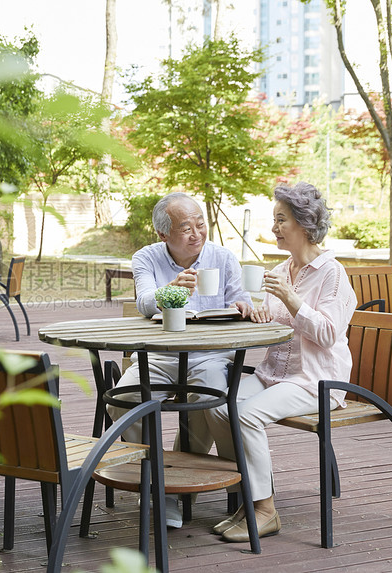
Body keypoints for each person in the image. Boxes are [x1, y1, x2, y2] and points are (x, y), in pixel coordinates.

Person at [205, 182, 357, 543]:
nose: (273, 227)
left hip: (316, 381)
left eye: (281, 219)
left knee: (245, 414)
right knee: (216, 404)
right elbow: (276, 322)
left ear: (304, 225)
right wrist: (251, 313)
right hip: (275, 374)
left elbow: (328, 333)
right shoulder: (283, 268)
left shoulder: (332, 273)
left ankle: (265, 510)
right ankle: (247, 496)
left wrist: (291, 300)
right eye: (274, 219)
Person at [106, 191, 252, 528]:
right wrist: (170, 290)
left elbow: (240, 298)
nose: (196, 233)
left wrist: (243, 306)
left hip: (209, 358)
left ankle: (209, 487)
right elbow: (144, 301)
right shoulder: (147, 257)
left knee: (210, 406)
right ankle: (161, 489)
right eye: (185, 228)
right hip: (159, 356)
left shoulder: (223, 257)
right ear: (163, 234)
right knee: (125, 401)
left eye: (200, 225)